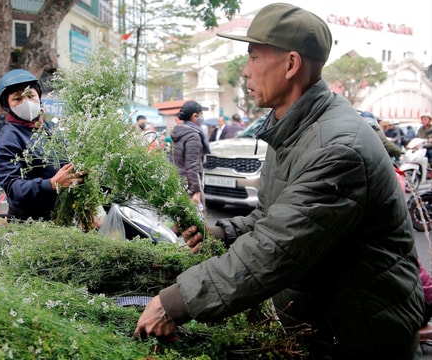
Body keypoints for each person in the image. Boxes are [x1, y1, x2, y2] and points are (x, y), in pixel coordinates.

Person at [134, 3, 424, 359]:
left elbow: (275, 249)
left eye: (253, 57)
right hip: (326, 326)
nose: (245, 71)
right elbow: (272, 216)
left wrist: (174, 303)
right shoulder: (292, 127)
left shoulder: (337, 149)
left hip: (362, 336)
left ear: (290, 64)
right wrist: (222, 233)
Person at [0, 69, 84, 221]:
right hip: (30, 224)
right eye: (17, 99)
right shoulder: (8, 138)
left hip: (60, 216)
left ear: (38, 96)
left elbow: (68, 163)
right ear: (8, 105)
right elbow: (13, 188)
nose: (26, 102)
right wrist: (51, 184)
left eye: (30, 95)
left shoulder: (49, 129)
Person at [170, 101, 210, 211]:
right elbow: (192, 166)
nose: (202, 118)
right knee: (195, 223)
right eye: (201, 114)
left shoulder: (179, 132)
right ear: (194, 116)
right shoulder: (193, 136)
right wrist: (196, 192)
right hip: (189, 187)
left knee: (181, 220)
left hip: (179, 182)